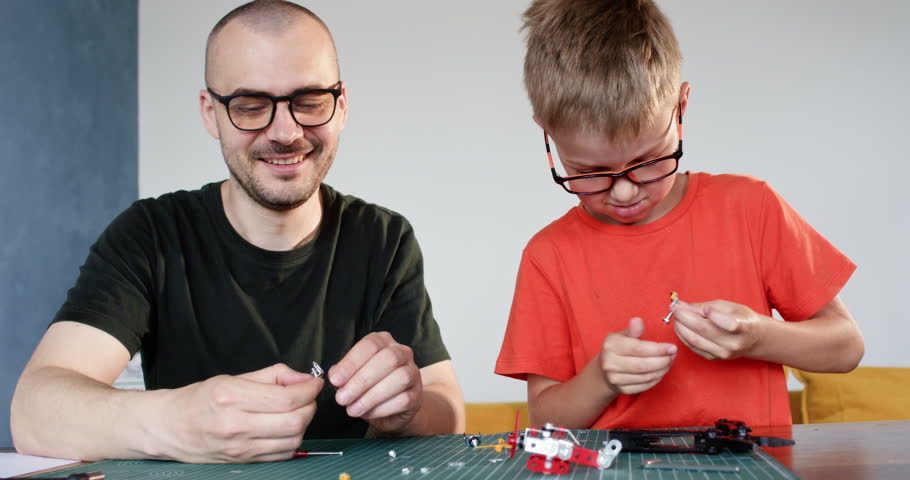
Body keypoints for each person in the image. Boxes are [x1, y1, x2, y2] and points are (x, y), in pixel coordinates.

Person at [11, 0, 464, 463]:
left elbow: (448, 411)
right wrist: (177, 420)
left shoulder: (383, 240)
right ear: (210, 113)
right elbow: (33, 411)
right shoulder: (150, 235)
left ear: (341, 106)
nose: (286, 132)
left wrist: (407, 408)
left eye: (309, 102)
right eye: (250, 106)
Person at [494, 0, 864, 430]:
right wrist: (601, 379)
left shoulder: (750, 207)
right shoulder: (549, 255)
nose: (624, 190)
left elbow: (846, 348)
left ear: (681, 106)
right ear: (548, 133)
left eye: (648, 160)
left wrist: (760, 336)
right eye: (590, 171)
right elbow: (546, 419)